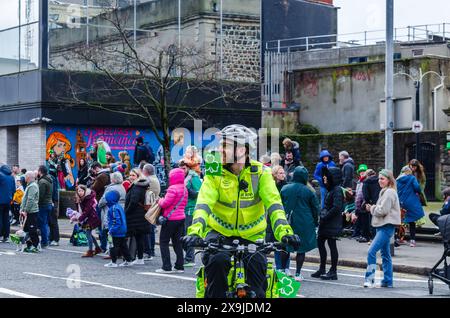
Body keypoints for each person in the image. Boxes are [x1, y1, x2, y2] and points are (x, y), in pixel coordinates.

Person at [183, 124, 299, 298]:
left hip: (253, 236)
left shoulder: (261, 173)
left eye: (225, 146)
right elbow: (204, 203)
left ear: (241, 151)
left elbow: (274, 206)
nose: (219, 150)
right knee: (217, 266)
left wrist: (285, 233)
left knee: (259, 290)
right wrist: (195, 232)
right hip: (219, 233)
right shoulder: (215, 171)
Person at [281, 166, 320, 282]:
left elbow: (279, 204)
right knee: (301, 249)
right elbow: (315, 209)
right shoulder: (309, 191)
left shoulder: (285, 188)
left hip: (288, 221)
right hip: (304, 222)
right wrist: (315, 222)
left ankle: (283, 271)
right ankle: (298, 273)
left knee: (285, 246)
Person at [364, 169, 401, 288]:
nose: (379, 181)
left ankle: (370, 279)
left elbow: (382, 210)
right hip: (382, 226)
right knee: (385, 255)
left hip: (386, 226)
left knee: (371, 252)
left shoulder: (389, 192)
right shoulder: (385, 191)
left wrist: (372, 208)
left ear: (389, 180)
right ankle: (387, 281)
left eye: (382, 178)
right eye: (379, 178)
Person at [311, 166, 344, 281]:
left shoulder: (337, 190)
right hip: (326, 223)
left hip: (332, 223)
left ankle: (333, 271)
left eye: (326, 176)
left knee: (332, 246)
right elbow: (327, 206)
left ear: (332, 177)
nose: (324, 178)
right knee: (320, 243)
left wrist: (325, 215)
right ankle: (322, 268)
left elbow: (337, 207)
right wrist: (323, 213)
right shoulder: (331, 189)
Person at [156, 168, 188, 273]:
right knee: (177, 242)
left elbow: (165, 203)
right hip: (181, 218)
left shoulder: (172, 189)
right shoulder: (184, 188)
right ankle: (179, 266)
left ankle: (166, 266)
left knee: (164, 242)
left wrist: (159, 200)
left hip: (170, 219)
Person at [178, 160, 202, 267]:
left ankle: (190, 258)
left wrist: (188, 191)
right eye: (180, 168)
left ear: (188, 168)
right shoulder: (181, 177)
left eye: (184, 168)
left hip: (190, 209)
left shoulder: (193, 177)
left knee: (188, 233)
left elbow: (199, 193)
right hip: (181, 208)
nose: (182, 170)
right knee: (181, 234)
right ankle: (188, 256)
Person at [97, 172, 126, 259]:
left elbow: (103, 200)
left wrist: (99, 205)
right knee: (118, 233)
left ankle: (111, 252)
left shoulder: (110, 188)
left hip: (109, 210)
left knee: (109, 232)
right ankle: (119, 252)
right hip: (121, 209)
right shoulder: (122, 187)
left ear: (113, 179)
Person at [124, 168, 150, 265]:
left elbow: (133, 202)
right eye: (130, 175)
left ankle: (135, 258)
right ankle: (139, 258)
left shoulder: (136, 187)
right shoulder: (140, 186)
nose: (131, 177)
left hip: (135, 215)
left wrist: (126, 211)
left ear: (138, 176)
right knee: (139, 237)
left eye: (133, 175)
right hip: (140, 215)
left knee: (137, 237)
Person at [266, 165, 288, 272]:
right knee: (274, 244)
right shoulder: (271, 187)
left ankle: (286, 267)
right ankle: (279, 267)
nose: (283, 175)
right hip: (271, 218)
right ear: (275, 175)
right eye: (280, 173)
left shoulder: (286, 187)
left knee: (285, 244)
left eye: (283, 173)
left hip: (283, 216)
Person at [396, 166, 425, 247]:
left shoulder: (398, 179)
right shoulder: (412, 178)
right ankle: (412, 241)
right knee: (412, 221)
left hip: (401, 202)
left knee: (402, 221)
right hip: (411, 201)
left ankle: (399, 238)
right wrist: (418, 191)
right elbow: (417, 188)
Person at [104, 190, 133, 267]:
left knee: (113, 246)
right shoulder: (118, 206)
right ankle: (128, 260)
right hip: (122, 230)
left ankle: (113, 262)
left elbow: (116, 221)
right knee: (123, 246)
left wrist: (111, 230)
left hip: (116, 231)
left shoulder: (113, 208)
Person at [76, 184, 102, 257]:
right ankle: (97, 248)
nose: (80, 192)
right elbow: (79, 209)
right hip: (87, 219)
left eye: (81, 191)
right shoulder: (79, 198)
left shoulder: (89, 198)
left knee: (88, 234)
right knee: (89, 234)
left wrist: (80, 219)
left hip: (91, 219)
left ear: (85, 191)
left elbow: (87, 211)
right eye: (79, 191)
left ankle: (90, 251)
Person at [91, 161, 111, 252]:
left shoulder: (100, 176)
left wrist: (93, 181)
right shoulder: (108, 174)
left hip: (100, 202)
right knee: (106, 224)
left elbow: (94, 188)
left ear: (96, 169)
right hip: (107, 202)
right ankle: (107, 245)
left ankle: (103, 246)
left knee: (101, 225)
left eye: (93, 170)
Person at [142, 164, 161, 260]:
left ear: (146, 171)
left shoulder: (149, 180)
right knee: (151, 229)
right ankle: (151, 250)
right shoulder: (154, 178)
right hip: (153, 206)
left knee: (149, 230)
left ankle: (149, 251)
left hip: (150, 207)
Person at [20, 171, 40, 252]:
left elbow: (30, 200)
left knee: (32, 230)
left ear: (28, 177)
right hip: (28, 211)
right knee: (27, 230)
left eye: (25, 176)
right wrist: (22, 209)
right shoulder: (30, 185)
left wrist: (26, 210)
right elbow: (25, 199)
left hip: (32, 211)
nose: (24, 178)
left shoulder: (33, 186)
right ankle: (29, 245)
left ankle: (35, 246)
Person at [362, 169, 381, 243]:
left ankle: (373, 238)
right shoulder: (379, 180)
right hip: (380, 202)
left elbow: (366, 195)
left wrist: (367, 203)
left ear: (367, 175)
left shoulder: (366, 182)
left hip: (371, 203)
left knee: (373, 221)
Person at [37, 165, 53, 248]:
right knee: (45, 223)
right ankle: (46, 239)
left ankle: (44, 241)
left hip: (43, 205)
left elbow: (40, 195)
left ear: (40, 171)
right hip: (49, 204)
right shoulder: (49, 179)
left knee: (43, 223)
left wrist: (37, 203)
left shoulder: (42, 181)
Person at [0, 164, 16, 242]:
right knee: (6, 218)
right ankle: (6, 236)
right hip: (8, 201)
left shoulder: (0, 175)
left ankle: (0, 235)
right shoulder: (11, 177)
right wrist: (11, 199)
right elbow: (14, 190)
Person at [354, 164, 370, 243]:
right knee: (361, 221)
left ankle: (365, 236)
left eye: (364, 171)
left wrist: (358, 204)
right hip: (360, 204)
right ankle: (362, 235)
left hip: (363, 203)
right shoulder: (359, 181)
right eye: (361, 171)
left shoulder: (365, 181)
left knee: (365, 221)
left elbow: (360, 194)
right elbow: (357, 193)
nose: (362, 172)